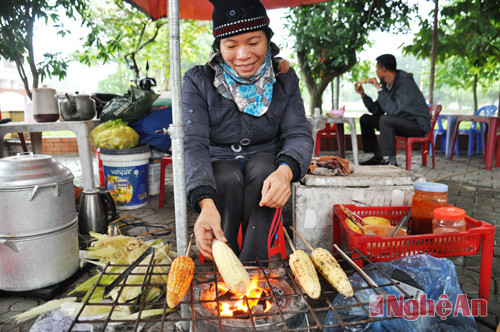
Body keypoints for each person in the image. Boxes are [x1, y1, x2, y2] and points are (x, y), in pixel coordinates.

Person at [182, 0, 314, 262]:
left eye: (253, 43)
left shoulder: (284, 78)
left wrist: (285, 172)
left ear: (268, 40)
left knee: (264, 172)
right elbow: (194, 144)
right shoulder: (198, 80)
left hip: (266, 159)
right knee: (226, 179)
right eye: (231, 46)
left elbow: (298, 133)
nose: (242, 55)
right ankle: (223, 259)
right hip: (219, 161)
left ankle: (256, 264)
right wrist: (205, 204)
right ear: (219, 47)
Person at [354, 54, 430, 166]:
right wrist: (363, 95)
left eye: (377, 68)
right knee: (366, 119)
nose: (376, 72)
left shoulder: (405, 84)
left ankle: (392, 162)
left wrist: (378, 88)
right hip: (400, 122)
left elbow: (393, 110)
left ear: (383, 69)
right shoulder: (387, 85)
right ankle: (378, 157)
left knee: (386, 119)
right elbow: (377, 110)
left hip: (417, 125)